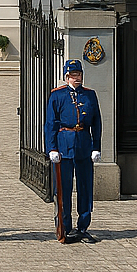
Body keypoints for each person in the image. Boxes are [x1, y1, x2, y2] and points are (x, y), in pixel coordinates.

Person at [45, 59, 101, 244]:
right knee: (64, 189)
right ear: (66, 77)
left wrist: (96, 146)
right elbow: (51, 124)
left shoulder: (90, 95)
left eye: (79, 75)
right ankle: (64, 226)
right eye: (73, 75)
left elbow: (97, 123)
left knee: (85, 188)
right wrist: (52, 148)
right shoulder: (57, 96)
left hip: (83, 144)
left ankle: (83, 226)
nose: (76, 79)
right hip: (64, 146)